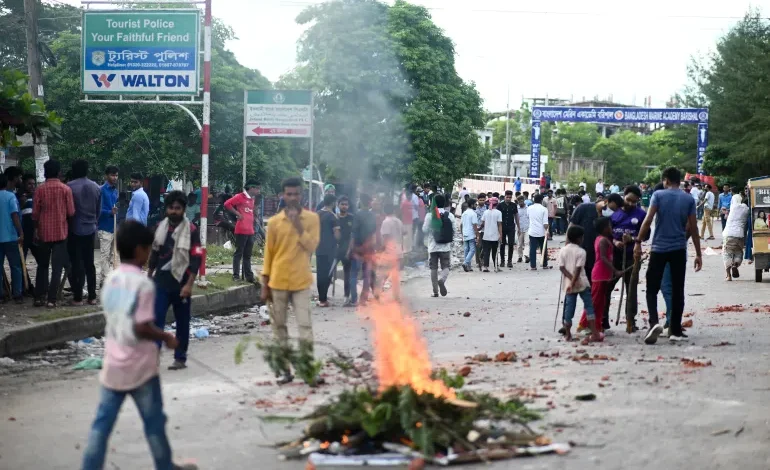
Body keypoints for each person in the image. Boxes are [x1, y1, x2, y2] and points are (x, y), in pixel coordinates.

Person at [81, 220, 197, 470]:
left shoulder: (111, 279)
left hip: (114, 364)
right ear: (139, 250)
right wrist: (166, 337)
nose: (150, 254)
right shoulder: (144, 285)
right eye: (148, 248)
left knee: (101, 425)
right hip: (141, 367)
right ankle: (165, 466)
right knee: (154, 422)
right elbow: (141, 326)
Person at [261, 177, 321, 385]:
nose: (293, 197)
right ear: (283, 196)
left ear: (301, 195)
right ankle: (285, 370)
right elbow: (268, 254)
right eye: (289, 194)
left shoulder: (312, 219)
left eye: (296, 194)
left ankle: (307, 369)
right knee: (279, 328)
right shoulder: (275, 222)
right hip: (277, 281)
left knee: (305, 326)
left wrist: (298, 225)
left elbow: (312, 247)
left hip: (301, 281)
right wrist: (264, 282)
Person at [635, 167, 702, 345]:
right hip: (679, 249)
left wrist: (638, 242)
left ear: (665, 180)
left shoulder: (658, 196)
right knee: (678, 289)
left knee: (652, 288)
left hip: (659, 248)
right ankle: (675, 330)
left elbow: (648, 220)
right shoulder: (688, 198)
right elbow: (693, 228)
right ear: (678, 180)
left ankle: (654, 323)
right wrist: (698, 253)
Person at [148, 191, 203, 371]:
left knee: (182, 322)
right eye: (171, 208)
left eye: (177, 208)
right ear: (166, 209)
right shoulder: (160, 227)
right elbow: (154, 253)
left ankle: (180, 358)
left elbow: (197, 257)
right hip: (161, 282)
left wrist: (189, 284)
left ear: (183, 210)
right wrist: (149, 276)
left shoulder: (192, 230)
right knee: (156, 321)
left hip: (182, 281)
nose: (173, 211)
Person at [32, 160, 75, 308]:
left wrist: (36, 230)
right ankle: (51, 300)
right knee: (56, 268)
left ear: (45, 172)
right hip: (61, 234)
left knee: (42, 266)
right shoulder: (65, 189)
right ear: (59, 172)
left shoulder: (39, 189)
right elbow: (71, 212)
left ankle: (38, 297)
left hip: (44, 233)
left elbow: (35, 214)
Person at [605, 188, 645, 331]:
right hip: (613, 257)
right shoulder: (613, 213)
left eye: (634, 201)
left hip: (632, 257)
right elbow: (606, 234)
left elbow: (645, 236)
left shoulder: (641, 215)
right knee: (606, 287)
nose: (630, 203)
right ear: (623, 196)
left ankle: (630, 321)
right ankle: (604, 320)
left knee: (631, 289)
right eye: (628, 199)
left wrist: (633, 239)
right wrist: (615, 242)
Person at [67, 160, 101, 306]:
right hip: (91, 229)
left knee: (76, 264)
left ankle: (78, 297)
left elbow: (68, 211)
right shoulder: (96, 187)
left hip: (75, 229)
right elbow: (98, 210)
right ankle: (92, 296)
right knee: (90, 263)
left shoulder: (69, 187)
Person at [558, 226, 599, 342]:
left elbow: (561, 267)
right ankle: (594, 332)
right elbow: (578, 269)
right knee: (589, 306)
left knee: (569, 309)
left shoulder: (563, 250)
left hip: (568, 285)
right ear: (579, 238)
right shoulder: (581, 252)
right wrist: (575, 281)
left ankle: (568, 334)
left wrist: (570, 281)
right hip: (582, 283)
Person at [580, 217, 620, 334]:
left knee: (601, 302)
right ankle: (585, 324)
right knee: (595, 301)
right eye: (609, 226)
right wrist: (615, 270)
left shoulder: (602, 238)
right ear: (604, 228)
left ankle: (597, 326)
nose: (611, 228)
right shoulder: (602, 240)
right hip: (600, 274)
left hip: (604, 274)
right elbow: (603, 258)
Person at [224, 181, 260, 283]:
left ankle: (249, 277)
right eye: (257, 188)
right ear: (251, 188)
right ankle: (236, 276)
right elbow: (227, 204)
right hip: (241, 230)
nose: (258, 191)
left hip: (250, 230)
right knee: (238, 253)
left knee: (247, 255)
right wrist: (237, 213)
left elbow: (249, 212)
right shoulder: (240, 196)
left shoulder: (251, 200)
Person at [423, 194, 455, 295]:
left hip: (432, 246)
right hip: (445, 246)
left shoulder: (430, 215)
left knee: (433, 268)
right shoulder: (449, 215)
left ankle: (435, 291)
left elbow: (424, 229)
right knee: (446, 266)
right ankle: (442, 280)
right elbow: (454, 230)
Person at [348, 193, 377, 306]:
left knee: (354, 274)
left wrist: (350, 249)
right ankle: (363, 300)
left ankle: (353, 299)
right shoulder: (372, 216)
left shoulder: (357, 215)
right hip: (369, 249)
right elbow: (374, 233)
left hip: (357, 249)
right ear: (369, 202)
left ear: (360, 201)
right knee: (366, 275)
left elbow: (353, 234)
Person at [0, 173, 23, 303]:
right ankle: (17, 294)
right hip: (10, 237)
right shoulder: (10, 196)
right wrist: (21, 232)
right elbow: (14, 215)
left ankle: (1, 295)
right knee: (15, 266)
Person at [316, 193, 339, 307]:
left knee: (320, 273)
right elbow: (337, 235)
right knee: (328, 274)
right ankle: (323, 300)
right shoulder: (333, 216)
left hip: (319, 248)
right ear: (333, 203)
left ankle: (321, 298)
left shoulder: (317, 214)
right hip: (330, 250)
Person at [98, 166, 119, 287]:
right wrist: (110, 212)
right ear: (106, 176)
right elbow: (98, 210)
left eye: (116, 175)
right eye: (112, 175)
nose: (115, 177)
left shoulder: (115, 191)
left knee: (112, 255)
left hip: (113, 226)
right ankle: (105, 280)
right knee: (104, 255)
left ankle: (105, 279)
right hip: (104, 227)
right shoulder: (101, 190)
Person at [378, 202, 404, 299]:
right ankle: (396, 296)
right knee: (395, 274)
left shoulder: (386, 222)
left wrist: (382, 250)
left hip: (389, 252)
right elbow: (404, 232)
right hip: (399, 252)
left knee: (382, 272)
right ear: (393, 210)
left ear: (384, 211)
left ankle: (378, 292)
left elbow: (385, 238)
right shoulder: (398, 221)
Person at [723, 194, 749, 281]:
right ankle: (735, 264)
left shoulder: (732, 208)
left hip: (728, 234)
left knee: (727, 254)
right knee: (738, 253)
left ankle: (728, 276)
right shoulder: (745, 208)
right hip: (739, 235)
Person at [336, 196, 354, 302]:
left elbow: (353, 235)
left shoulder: (351, 218)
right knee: (328, 271)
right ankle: (323, 296)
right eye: (342, 204)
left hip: (347, 250)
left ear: (348, 206)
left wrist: (349, 250)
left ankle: (346, 296)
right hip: (335, 250)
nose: (344, 206)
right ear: (338, 205)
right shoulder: (335, 218)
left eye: (346, 204)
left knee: (347, 273)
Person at [527, 194, 550, 270]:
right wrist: (547, 231)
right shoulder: (544, 209)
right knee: (543, 248)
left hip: (532, 231)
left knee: (532, 249)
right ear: (541, 200)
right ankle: (544, 264)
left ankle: (533, 266)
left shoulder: (529, 208)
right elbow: (545, 223)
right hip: (542, 232)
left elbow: (528, 217)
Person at [479, 196, 502, 272]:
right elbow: (499, 225)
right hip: (495, 236)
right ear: (497, 204)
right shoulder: (499, 213)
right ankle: (496, 267)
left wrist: (478, 229)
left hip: (486, 235)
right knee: (495, 252)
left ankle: (485, 267)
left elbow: (482, 223)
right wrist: (500, 235)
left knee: (486, 252)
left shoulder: (486, 212)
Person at [498, 190, 519, 268]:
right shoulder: (500, 205)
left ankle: (509, 261)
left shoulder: (514, 205)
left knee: (511, 244)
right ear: (505, 197)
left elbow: (516, 216)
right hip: (502, 227)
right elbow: (497, 217)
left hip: (511, 227)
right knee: (502, 244)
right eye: (507, 197)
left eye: (510, 197)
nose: (509, 199)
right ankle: (502, 261)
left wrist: (518, 227)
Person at [461, 198, 479, 272]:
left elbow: (461, 224)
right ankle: (465, 263)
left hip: (465, 233)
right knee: (472, 250)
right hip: (471, 233)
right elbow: (474, 225)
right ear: (472, 205)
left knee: (466, 250)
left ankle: (468, 266)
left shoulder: (464, 213)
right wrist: (477, 235)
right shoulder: (473, 213)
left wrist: (462, 233)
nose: (476, 205)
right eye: (475, 204)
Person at [474, 192, 488, 270]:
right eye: (480, 200)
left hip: (486, 230)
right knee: (478, 246)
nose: (482, 201)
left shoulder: (487, 208)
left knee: (484, 246)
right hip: (478, 230)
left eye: (483, 200)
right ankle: (477, 261)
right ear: (478, 200)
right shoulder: (475, 208)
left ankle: (482, 259)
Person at [399, 186, 414, 254]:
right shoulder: (404, 203)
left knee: (410, 235)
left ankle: (409, 248)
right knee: (405, 236)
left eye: (410, 195)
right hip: (405, 221)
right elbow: (401, 211)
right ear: (407, 195)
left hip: (410, 221)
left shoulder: (410, 203)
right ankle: (405, 249)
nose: (410, 196)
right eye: (409, 195)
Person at [516, 195, 529, 263]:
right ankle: (520, 256)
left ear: (523, 201)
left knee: (527, 243)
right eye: (519, 202)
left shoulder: (528, 208)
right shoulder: (516, 209)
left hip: (527, 228)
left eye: (521, 201)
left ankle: (526, 256)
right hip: (519, 229)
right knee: (519, 244)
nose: (520, 203)